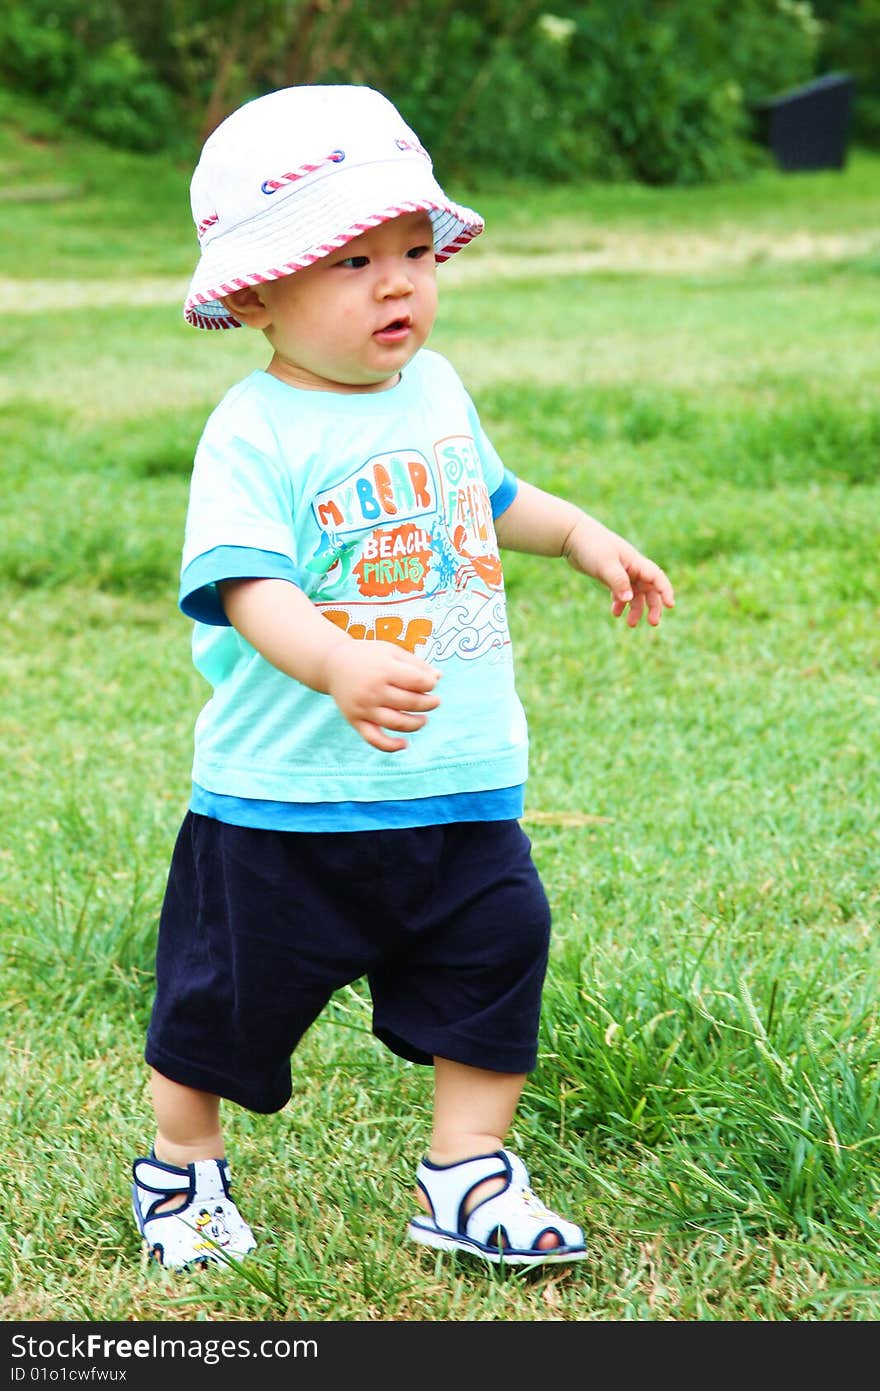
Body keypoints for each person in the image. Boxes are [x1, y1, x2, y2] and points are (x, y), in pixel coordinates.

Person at [132, 83, 674, 1272]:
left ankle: (466, 1170)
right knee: (223, 1006)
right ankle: (181, 1170)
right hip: (284, 798)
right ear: (258, 291)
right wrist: (336, 663)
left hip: (459, 781)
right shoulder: (254, 431)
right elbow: (247, 586)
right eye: (353, 260)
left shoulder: (435, 391)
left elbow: (491, 498)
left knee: (496, 953)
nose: (398, 283)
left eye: (415, 252)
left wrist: (581, 534)